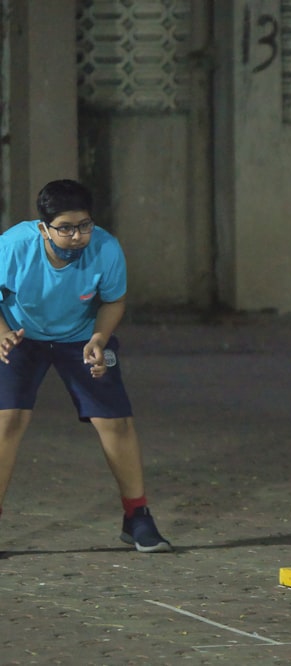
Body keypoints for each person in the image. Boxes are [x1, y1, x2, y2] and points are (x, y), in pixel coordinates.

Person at [0, 179, 171, 553]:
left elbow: (114, 300)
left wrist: (99, 338)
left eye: (84, 225)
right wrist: (2, 332)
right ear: (43, 227)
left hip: (80, 335)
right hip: (20, 334)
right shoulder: (13, 246)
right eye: (65, 228)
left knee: (116, 421)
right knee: (7, 419)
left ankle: (137, 516)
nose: (77, 236)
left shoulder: (106, 248)